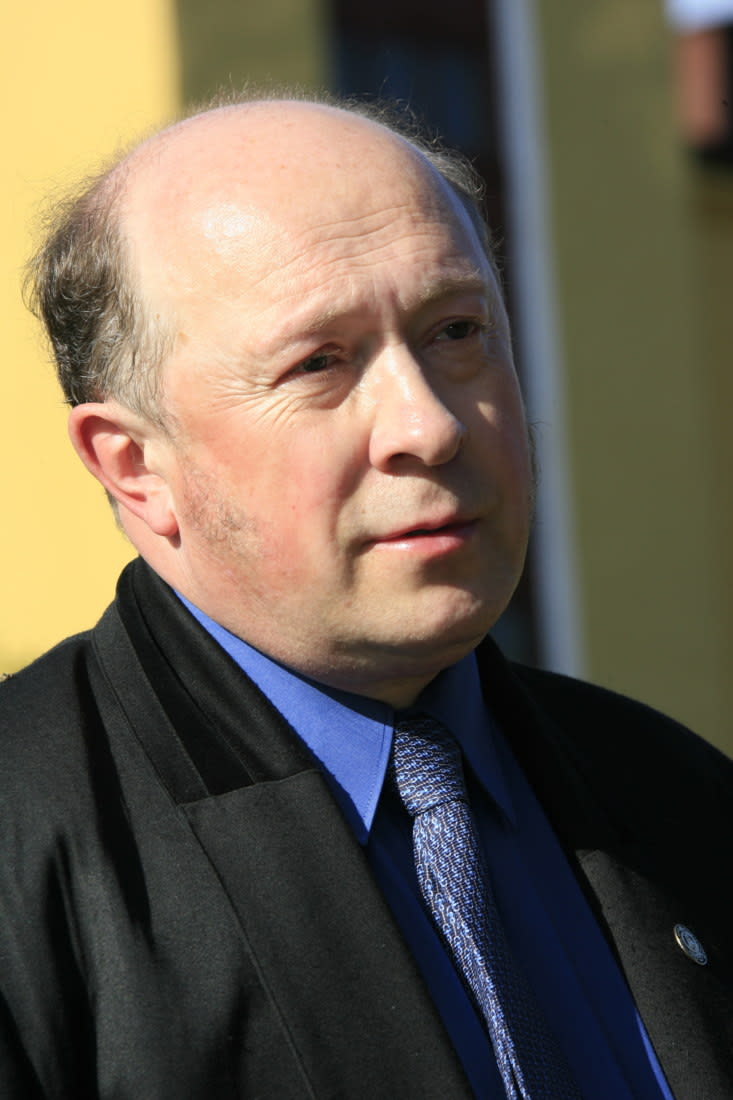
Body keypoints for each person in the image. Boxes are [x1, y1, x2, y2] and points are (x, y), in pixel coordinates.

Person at [2, 94, 732, 1100]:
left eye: (456, 330)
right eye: (319, 363)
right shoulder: (27, 856)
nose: (428, 426)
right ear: (134, 466)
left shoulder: (676, 794)